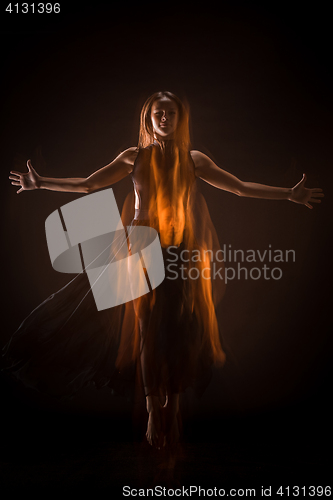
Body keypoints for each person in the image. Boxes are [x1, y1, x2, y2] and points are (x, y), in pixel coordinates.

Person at [6, 91, 324, 449]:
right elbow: (89, 184)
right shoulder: (133, 156)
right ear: (149, 118)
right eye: (159, 113)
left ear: (179, 119)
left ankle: (171, 405)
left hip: (181, 252)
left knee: (177, 327)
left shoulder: (195, 160)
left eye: (171, 113)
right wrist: (42, 182)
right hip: (140, 247)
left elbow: (238, 188)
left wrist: (288, 195)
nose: (165, 119)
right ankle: (154, 408)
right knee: (146, 328)